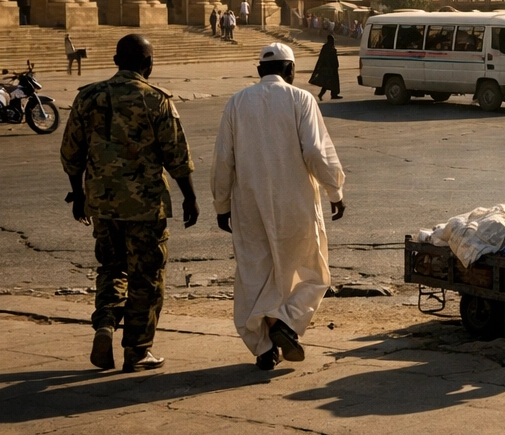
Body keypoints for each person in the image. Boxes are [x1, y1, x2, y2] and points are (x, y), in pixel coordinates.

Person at [61, 34, 198, 373]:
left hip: (102, 204)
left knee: (111, 268)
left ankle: (106, 323)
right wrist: (190, 196)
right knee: (146, 277)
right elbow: (176, 156)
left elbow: (70, 153)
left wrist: (78, 195)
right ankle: (136, 350)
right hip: (146, 207)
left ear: (115, 60)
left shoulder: (87, 97)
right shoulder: (157, 100)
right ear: (148, 65)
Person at [213, 43, 347, 370]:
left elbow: (223, 160)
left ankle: (264, 346)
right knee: (311, 272)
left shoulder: (236, 103)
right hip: (296, 206)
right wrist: (335, 191)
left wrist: (221, 205)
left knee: (255, 276)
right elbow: (316, 152)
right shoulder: (300, 99)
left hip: (250, 207)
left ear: (260, 71)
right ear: (290, 71)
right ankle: (286, 323)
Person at [310, 34, 341, 100]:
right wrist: (329, 67)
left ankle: (334, 94)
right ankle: (323, 94)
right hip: (329, 68)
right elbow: (325, 58)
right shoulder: (327, 47)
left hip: (333, 68)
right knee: (328, 82)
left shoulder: (330, 47)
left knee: (331, 82)